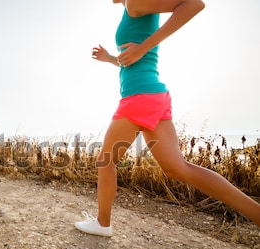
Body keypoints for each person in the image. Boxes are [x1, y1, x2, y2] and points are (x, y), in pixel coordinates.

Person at [75, 0, 260, 236]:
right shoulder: (131, 9)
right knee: (177, 168)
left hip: (138, 97)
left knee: (106, 160)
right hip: (154, 96)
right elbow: (132, 59)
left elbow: (194, 4)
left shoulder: (134, 3)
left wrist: (142, 47)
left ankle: (103, 224)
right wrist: (111, 57)